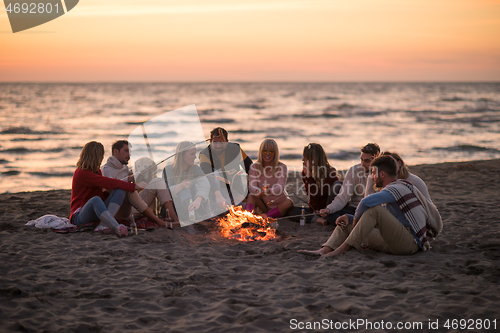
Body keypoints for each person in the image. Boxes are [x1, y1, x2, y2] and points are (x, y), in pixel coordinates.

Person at [298, 155, 442, 257]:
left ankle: (338, 251)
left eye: (373, 173)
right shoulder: (394, 190)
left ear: (383, 174)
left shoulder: (397, 189)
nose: (371, 177)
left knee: (374, 209)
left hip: (408, 244)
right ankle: (324, 250)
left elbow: (365, 202)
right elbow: (386, 215)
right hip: (393, 239)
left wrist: (355, 221)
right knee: (345, 222)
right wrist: (350, 218)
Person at [70, 141, 142, 236]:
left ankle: (103, 225)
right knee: (95, 200)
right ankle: (115, 227)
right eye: (101, 156)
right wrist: (133, 186)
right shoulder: (82, 173)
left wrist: (130, 179)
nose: (102, 158)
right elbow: (109, 182)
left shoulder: (97, 171)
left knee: (120, 190)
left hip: (96, 212)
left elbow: (109, 186)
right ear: (94, 157)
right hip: (79, 216)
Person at [101, 140, 174, 227]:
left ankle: (174, 219)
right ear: (116, 151)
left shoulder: (124, 168)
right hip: (121, 211)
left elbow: (131, 177)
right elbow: (112, 187)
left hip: (132, 206)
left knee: (158, 181)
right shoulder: (106, 170)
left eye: (130, 152)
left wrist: (139, 174)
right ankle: (164, 221)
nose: (129, 155)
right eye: (126, 151)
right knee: (130, 188)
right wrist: (130, 180)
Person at [318, 143, 381, 223]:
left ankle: (351, 223)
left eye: (367, 161)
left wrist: (373, 174)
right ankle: (351, 222)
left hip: (371, 210)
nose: (363, 164)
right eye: (361, 159)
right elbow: (342, 197)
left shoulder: (382, 174)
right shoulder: (354, 170)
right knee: (331, 215)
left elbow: (369, 201)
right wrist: (328, 209)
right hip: (354, 209)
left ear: (376, 160)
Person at [199, 127, 253, 212]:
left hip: (235, 190)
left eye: (221, 142)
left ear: (227, 142)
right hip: (214, 192)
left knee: (243, 210)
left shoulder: (236, 150)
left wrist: (245, 195)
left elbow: (251, 169)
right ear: (210, 142)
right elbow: (207, 175)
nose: (218, 146)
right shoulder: (204, 154)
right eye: (215, 142)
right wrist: (217, 194)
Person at [287, 143, 342, 224]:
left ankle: (322, 218)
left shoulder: (330, 173)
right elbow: (310, 196)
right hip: (318, 210)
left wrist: (309, 178)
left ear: (313, 160)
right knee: (291, 211)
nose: (302, 160)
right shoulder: (305, 172)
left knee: (337, 185)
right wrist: (315, 210)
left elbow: (318, 195)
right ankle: (318, 219)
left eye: (305, 157)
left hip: (329, 208)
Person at [163, 141, 210, 223]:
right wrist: (180, 186)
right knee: (183, 189)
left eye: (195, 154)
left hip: (194, 205)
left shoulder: (195, 168)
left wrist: (198, 199)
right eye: (192, 154)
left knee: (198, 189)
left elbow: (204, 182)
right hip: (175, 209)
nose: (195, 157)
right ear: (182, 155)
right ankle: (193, 216)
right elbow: (164, 193)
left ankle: (200, 215)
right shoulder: (168, 169)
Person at [247, 139, 293, 219]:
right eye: (265, 151)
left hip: (280, 205)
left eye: (271, 152)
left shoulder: (282, 167)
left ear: (275, 153)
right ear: (261, 152)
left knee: (289, 202)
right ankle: (247, 218)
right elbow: (252, 187)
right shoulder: (254, 167)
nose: (268, 154)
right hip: (265, 205)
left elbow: (280, 187)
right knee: (251, 196)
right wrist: (258, 191)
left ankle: (266, 216)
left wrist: (269, 191)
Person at [365, 151, 431, 201]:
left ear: (399, 163)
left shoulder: (414, 181)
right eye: (386, 164)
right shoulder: (386, 181)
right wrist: (375, 171)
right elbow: (368, 198)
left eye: (392, 163)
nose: (389, 166)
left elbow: (427, 205)